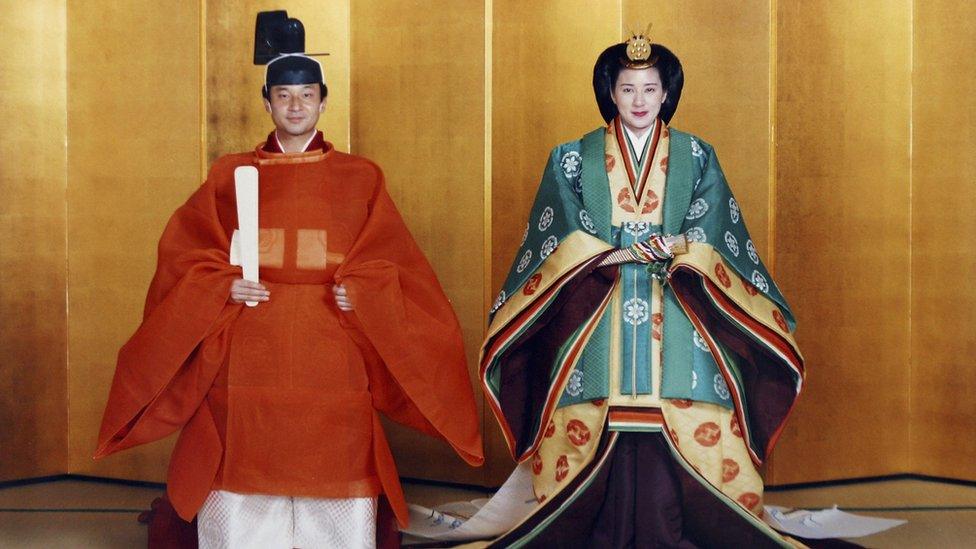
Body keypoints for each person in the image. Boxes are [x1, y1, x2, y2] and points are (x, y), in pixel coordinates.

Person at [95, 11, 483, 549]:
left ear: (324, 101)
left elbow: (393, 262)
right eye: (283, 95)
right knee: (243, 456)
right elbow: (187, 257)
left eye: (306, 96)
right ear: (267, 102)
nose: (295, 106)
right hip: (252, 338)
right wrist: (223, 286)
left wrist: (364, 292)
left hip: (332, 341)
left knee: (336, 459)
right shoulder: (230, 174)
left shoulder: (360, 176)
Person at [480, 30, 804, 547]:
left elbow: (718, 224)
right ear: (611, 91)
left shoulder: (697, 154)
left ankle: (692, 521)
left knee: (688, 397)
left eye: (650, 89)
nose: (639, 100)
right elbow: (558, 229)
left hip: (675, 301)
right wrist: (609, 254)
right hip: (598, 304)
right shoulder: (572, 157)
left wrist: (682, 244)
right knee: (590, 401)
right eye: (628, 89)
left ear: (666, 94)